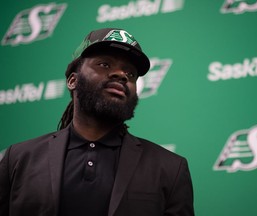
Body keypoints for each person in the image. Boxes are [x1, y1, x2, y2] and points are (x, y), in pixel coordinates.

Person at [0, 28, 194, 216]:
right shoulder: (18, 159)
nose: (121, 75)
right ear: (72, 81)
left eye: (131, 74)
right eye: (104, 64)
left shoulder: (170, 168)